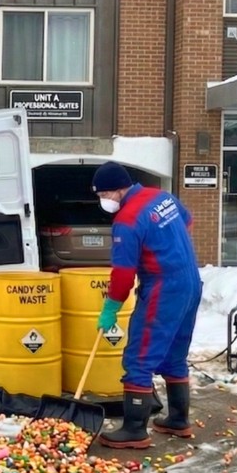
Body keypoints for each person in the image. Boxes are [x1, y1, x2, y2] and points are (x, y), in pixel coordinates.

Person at [92, 161, 202, 449]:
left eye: (102, 194)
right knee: (175, 354)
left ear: (116, 190)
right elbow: (186, 220)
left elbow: (124, 274)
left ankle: (134, 430)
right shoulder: (162, 197)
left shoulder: (126, 220)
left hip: (163, 286)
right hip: (191, 280)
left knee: (139, 356)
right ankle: (178, 420)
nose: (101, 200)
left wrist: (110, 309)